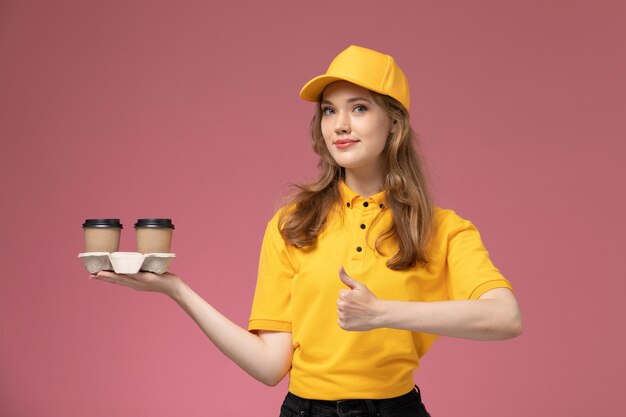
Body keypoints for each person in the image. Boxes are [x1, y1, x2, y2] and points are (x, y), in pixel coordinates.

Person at [92, 45, 523, 417]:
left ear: (394, 121)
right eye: (329, 111)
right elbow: (268, 366)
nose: (340, 125)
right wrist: (176, 290)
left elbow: (505, 317)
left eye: (359, 107)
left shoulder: (443, 228)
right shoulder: (293, 224)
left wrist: (382, 314)